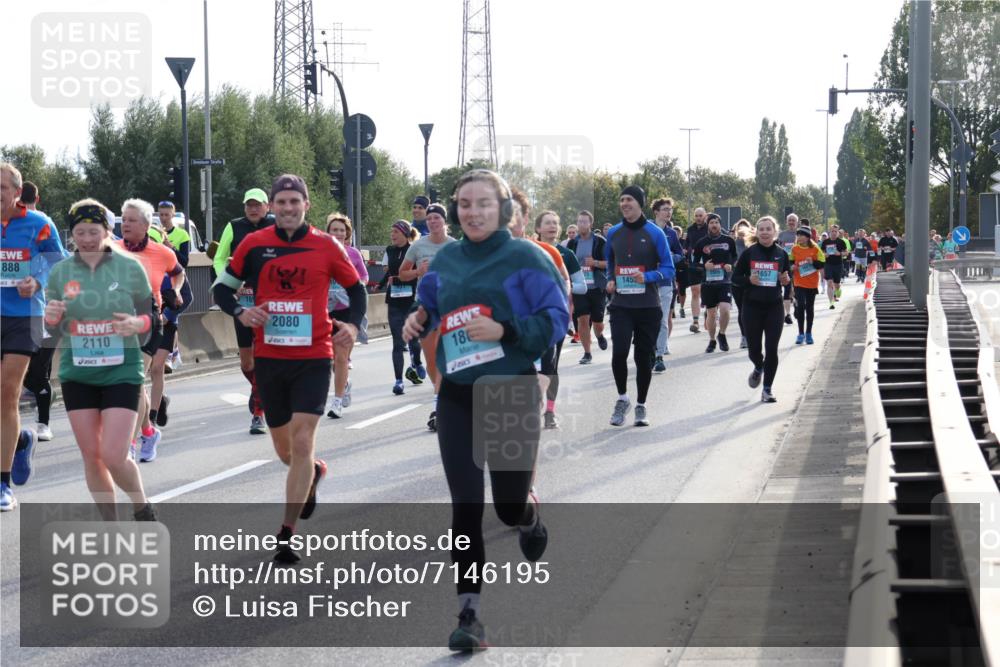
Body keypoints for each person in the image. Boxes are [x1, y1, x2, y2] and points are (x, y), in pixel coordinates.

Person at [401, 169, 568, 651]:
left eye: (483, 204)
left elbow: (555, 321)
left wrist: (506, 332)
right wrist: (419, 318)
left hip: (510, 390)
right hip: (457, 393)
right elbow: (430, 302)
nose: (472, 212)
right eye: (465, 204)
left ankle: (529, 514)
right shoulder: (448, 258)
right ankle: (469, 616)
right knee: (466, 505)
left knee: (507, 505)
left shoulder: (526, 256)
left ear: (502, 210)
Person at [214, 174, 366, 563]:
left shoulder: (326, 245)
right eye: (280, 202)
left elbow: (357, 289)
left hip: (314, 357)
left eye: (293, 202)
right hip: (270, 359)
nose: (286, 208)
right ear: (272, 207)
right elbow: (221, 288)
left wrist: (351, 323)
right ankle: (312, 473)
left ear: (305, 205)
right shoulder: (253, 243)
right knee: (285, 451)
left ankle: (286, 532)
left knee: (301, 442)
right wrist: (241, 311)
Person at [44, 199, 159, 520]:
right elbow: (53, 324)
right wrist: (50, 316)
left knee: (112, 454)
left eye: (93, 232)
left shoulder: (130, 268)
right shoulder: (60, 272)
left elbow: (152, 318)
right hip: (77, 374)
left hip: (122, 372)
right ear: (72, 235)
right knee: (92, 456)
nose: (86, 239)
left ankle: (141, 506)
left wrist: (137, 324)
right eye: (80, 232)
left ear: (107, 231)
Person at [0, 163, 66, 511]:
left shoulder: (39, 224)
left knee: (8, 392)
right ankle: (22, 440)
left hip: (24, 316)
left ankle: (3, 483)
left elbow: (59, 260)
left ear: (15, 190)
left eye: (0, 187)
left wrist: (37, 280)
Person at [116, 199, 186, 463]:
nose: (126, 224)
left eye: (132, 220)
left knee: (133, 381)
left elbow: (179, 274)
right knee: (134, 384)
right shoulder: (112, 249)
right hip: (118, 323)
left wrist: (176, 291)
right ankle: (148, 430)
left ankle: (131, 445)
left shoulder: (162, 253)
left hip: (149, 322)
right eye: (124, 220)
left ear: (146, 225)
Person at [605, 185, 675, 427]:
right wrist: (610, 280)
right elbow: (610, 263)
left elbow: (669, 269)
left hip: (648, 306)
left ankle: (641, 405)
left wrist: (647, 277)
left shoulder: (655, 233)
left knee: (642, 356)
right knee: (619, 353)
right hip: (621, 305)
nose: (625, 203)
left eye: (630, 200)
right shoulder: (613, 233)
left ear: (640, 204)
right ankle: (622, 399)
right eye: (622, 199)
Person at [213, 188, 275, 434]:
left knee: (264, 358)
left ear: (267, 206)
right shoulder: (233, 227)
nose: (252, 208)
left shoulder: (275, 226)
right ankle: (259, 390)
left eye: (257, 204)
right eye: (248, 204)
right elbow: (219, 258)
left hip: (268, 302)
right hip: (242, 300)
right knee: (247, 362)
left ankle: (258, 413)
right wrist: (229, 283)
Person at [398, 202, 456, 430]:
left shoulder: (455, 247)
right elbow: (402, 274)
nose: (432, 222)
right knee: (431, 359)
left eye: (437, 218)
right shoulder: (418, 246)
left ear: (445, 222)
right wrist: (418, 272)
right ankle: (441, 394)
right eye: (429, 218)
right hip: (425, 306)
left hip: (450, 305)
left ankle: (438, 406)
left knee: (443, 356)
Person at [19, 181, 65, 441]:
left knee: (37, 370)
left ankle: (43, 423)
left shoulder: (43, 223)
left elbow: (57, 262)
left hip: (46, 308)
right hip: (15, 312)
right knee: (23, 372)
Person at [535, 210, 587, 429]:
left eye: (555, 223)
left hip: (556, 318)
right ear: (537, 228)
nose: (552, 227)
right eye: (547, 223)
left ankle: (549, 411)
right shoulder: (528, 251)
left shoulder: (566, 254)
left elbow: (583, 287)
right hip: (527, 316)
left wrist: (557, 287)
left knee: (549, 364)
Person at [732, 216, 791, 403]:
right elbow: (735, 278)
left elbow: (787, 278)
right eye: (762, 229)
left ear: (775, 232)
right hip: (752, 307)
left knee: (772, 349)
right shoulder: (749, 253)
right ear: (756, 232)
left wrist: (786, 282)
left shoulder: (782, 254)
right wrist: (748, 280)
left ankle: (767, 389)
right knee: (754, 350)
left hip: (774, 306)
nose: (765, 232)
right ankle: (758, 366)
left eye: (768, 229)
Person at [149, 201, 193, 424]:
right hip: (144, 325)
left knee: (157, 368)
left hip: (166, 323)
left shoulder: (174, 270)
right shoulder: (136, 268)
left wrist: (169, 316)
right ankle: (160, 400)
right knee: (143, 373)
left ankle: (153, 417)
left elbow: (188, 298)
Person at [325, 214, 369, 415]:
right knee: (331, 359)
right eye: (334, 229)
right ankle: (345, 384)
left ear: (347, 233)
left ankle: (336, 401)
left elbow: (364, 277)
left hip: (347, 310)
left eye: (342, 230)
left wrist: (356, 286)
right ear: (328, 232)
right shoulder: (320, 253)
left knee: (341, 357)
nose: (339, 233)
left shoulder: (353, 254)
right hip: (324, 311)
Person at [376, 220, 422, 403]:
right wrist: (380, 285)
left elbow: (419, 271)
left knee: (414, 340)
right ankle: (398, 381)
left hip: (411, 301)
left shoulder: (415, 249)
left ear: (405, 233)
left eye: (395, 232)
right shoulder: (390, 250)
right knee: (397, 342)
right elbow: (390, 272)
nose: (392, 235)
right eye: (391, 232)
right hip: (394, 300)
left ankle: (417, 362)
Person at [566, 210, 609, 364]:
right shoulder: (572, 243)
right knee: (582, 320)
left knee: (597, 322)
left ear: (590, 224)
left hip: (597, 287)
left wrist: (595, 263)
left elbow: (611, 263)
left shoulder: (600, 241)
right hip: (579, 288)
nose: (582, 224)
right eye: (579, 221)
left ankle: (599, 335)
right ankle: (587, 353)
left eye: (585, 221)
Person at [692, 213, 738, 353]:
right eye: (711, 222)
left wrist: (731, 264)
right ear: (708, 225)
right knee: (711, 314)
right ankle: (712, 340)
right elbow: (694, 263)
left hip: (724, 281)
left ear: (720, 224)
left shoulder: (729, 241)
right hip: (708, 283)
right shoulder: (701, 243)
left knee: (725, 308)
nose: (714, 225)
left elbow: (735, 256)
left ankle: (722, 334)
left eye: (716, 222)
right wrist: (704, 266)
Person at [650, 198, 684, 371]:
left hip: (665, 281)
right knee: (647, 320)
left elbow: (680, 255)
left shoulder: (671, 234)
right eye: (664, 209)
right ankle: (648, 350)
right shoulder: (646, 229)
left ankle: (659, 356)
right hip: (646, 282)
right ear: (656, 211)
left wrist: (669, 257)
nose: (668, 212)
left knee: (662, 319)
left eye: (670, 209)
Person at [790, 227, 825, 344]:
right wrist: (792, 267)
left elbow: (821, 264)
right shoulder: (794, 249)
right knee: (801, 306)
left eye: (801, 235)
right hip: (799, 282)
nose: (798, 237)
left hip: (811, 282)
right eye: (797, 235)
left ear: (807, 237)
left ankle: (808, 333)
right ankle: (800, 333)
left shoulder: (815, 249)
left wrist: (813, 262)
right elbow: (789, 263)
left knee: (809, 308)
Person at [684, 207, 709, 332]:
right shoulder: (690, 229)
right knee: (695, 291)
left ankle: (708, 313)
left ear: (705, 216)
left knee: (707, 291)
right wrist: (686, 252)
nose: (698, 218)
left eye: (700, 215)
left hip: (707, 264)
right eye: (696, 215)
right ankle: (695, 321)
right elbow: (687, 244)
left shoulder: (710, 228)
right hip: (694, 264)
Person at [731, 219, 754, 349]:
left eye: (745, 228)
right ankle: (744, 336)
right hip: (737, 282)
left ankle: (752, 335)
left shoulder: (753, 244)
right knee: (742, 310)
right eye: (740, 228)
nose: (742, 231)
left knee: (751, 309)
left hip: (752, 281)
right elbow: (728, 258)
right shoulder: (732, 244)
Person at [777, 213, 799, 325]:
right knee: (787, 289)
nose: (791, 222)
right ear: (786, 222)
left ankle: (795, 303)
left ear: (797, 222)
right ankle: (787, 315)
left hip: (798, 265)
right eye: (789, 220)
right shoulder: (781, 235)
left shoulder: (800, 235)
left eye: (793, 220)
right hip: (785, 264)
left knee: (795, 290)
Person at [820, 226, 848, 309]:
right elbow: (821, 252)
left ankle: (837, 291)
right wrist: (824, 254)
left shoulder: (841, 242)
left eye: (835, 231)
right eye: (832, 231)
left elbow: (846, 253)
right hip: (828, 265)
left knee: (837, 284)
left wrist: (840, 253)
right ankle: (831, 303)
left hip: (838, 264)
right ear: (829, 232)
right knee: (829, 283)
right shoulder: (825, 242)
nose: (834, 233)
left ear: (838, 232)